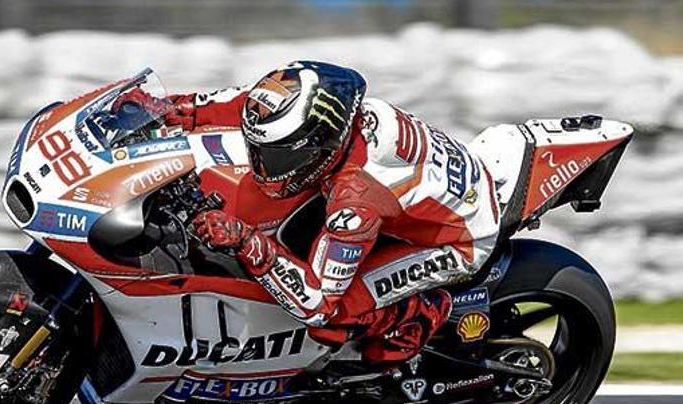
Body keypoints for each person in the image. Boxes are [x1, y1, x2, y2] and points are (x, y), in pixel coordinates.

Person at [150, 61, 500, 368]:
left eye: (277, 157)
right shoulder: (326, 113)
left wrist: (246, 240)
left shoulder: (355, 201)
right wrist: (174, 109)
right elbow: (250, 103)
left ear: (321, 144)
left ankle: (421, 315)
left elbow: (318, 302)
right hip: (421, 196)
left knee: (331, 322)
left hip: (455, 241)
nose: (263, 166)